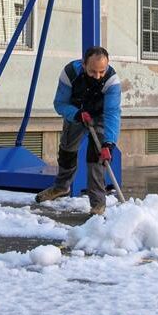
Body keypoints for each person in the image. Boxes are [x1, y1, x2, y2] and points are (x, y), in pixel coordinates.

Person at [36, 46, 121, 216]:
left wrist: (108, 143)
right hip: (75, 113)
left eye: (101, 71)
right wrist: (76, 114)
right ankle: (61, 187)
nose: (97, 76)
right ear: (83, 64)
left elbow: (112, 113)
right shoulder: (70, 74)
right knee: (67, 150)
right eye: (92, 72)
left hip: (99, 116)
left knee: (96, 156)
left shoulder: (112, 81)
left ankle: (98, 204)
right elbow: (59, 104)